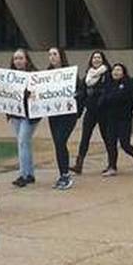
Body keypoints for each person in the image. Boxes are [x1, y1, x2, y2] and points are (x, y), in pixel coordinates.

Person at [99, 61, 133, 177]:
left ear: (124, 73)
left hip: (124, 119)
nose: (116, 72)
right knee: (110, 143)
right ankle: (112, 166)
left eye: (119, 70)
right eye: (114, 70)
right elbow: (103, 100)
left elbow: (122, 97)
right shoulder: (108, 84)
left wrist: (111, 97)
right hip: (110, 118)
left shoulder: (127, 84)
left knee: (125, 143)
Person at [45, 46, 82, 190]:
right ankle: (62, 173)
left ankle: (66, 174)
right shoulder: (47, 74)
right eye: (50, 55)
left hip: (68, 114)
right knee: (58, 144)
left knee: (61, 141)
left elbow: (80, 90)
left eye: (54, 54)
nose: (52, 57)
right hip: (54, 114)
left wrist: (75, 96)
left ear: (61, 56)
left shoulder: (70, 73)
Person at [70, 50, 109, 174]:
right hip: (90, 111)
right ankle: (79, 164)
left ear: (103, 60)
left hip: (103, 111)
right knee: (85, 137)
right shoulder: (88, 75)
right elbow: (82, 92)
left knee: (107, 137)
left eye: (99, 57)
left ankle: (112, 163)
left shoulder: (106, 74)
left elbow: (107, 90)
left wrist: (96, 93)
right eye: (94, 58)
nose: (96, 60)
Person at [6, 49, 41, 188]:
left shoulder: (34, 75)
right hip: (16, 114)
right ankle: (29, 173)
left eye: (20, 58)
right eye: (16, 58)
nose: (18, 61)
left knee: (22, 141)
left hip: (30, 115)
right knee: (24, 143)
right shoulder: (10, 76)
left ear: (27, 59)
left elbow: (38, 93)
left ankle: (23, 174)